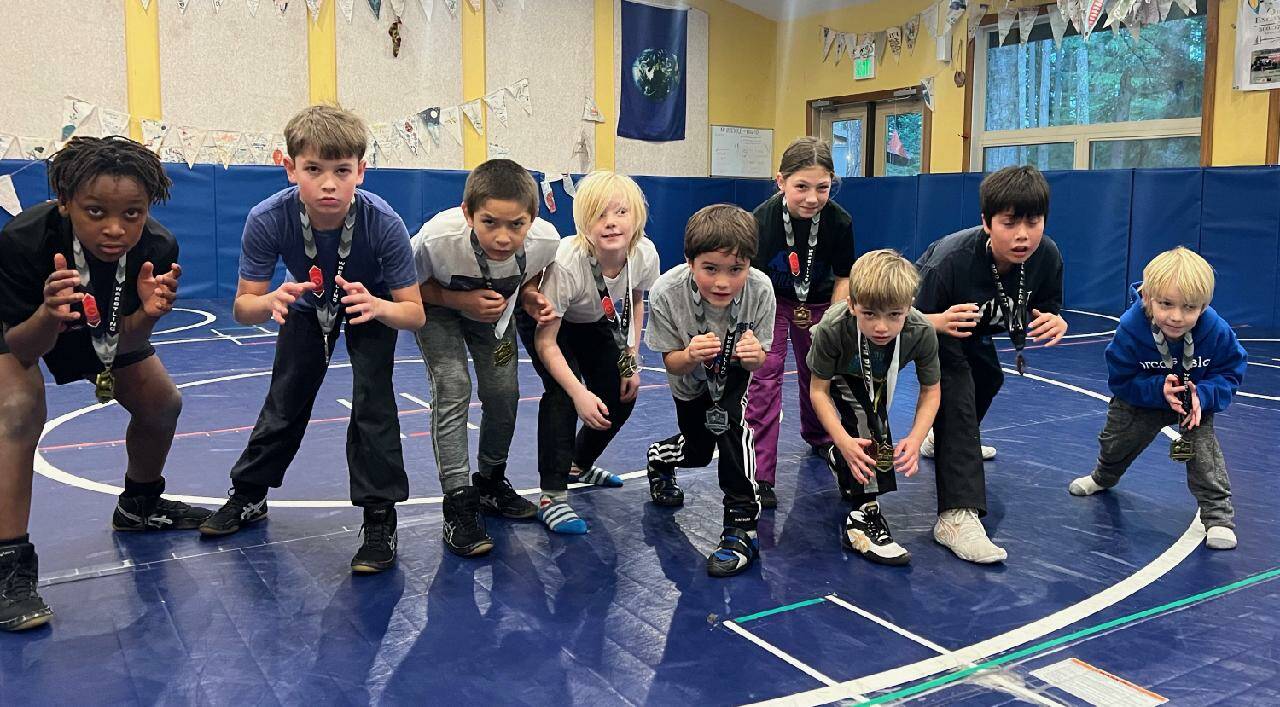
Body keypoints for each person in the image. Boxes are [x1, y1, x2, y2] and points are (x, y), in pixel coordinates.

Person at [199, 106, 425, 577]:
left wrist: (380, 308)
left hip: (369, 303)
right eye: (314, 170)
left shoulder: (383, 222)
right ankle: (248, 495)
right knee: (285, 399)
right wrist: (269, 303)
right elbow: (243, 308)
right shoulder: (268, 219)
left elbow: (415, 313)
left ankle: (379, 516)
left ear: (360, 172)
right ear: (290, 168)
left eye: (342, 171)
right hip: (304, 302)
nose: (328, 184)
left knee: (373, 404)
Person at [0, 136, 204, 631]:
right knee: (18, 411)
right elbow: (24, 348)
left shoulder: (156, 248)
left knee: (161, 402)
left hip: (98, 328)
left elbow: (120, 338)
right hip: (24, 328)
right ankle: (8, 567)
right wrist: (50, 314)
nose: (115, 228)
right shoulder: (23, 241)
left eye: (132, 213)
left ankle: (139, 505)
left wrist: (149, 315)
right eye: (95, 211)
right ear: (65, 202)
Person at [915, 165, 1068, 564]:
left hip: (973, 332)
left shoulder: (1046, 255)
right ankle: (955, 516)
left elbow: (1048, 304)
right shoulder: (948, 261)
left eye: (1033, 222)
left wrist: (1055, 318)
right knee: (958, 397)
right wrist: (936, 321)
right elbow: (896, 319)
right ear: (986, 222)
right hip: (931, 328)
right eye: (1009, 223)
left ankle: (944, 441)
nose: (1022, 235)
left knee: (989, 377)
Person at [412, 159, 560, 556]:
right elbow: (407, 287)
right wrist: (459, 299)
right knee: (453, 385)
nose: (502, 237)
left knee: (503, 393)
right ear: (468, 214)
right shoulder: (436, 239)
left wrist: (529, 296)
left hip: (494, 315)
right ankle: (459, 501)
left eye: (516, 225)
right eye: (490, 222)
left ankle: (491, 481)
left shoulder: (547, 242)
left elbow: (533, 274)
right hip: (438, 309)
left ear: (532, 218)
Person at [1068, 247, 1246, 551]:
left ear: (1203, 307)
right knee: (1116, 442)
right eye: (1166, 304)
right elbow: (1120, 380)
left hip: (1193, 402)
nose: (1177, 317)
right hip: (1141, 399)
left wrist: (1204, 395)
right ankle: (1104, 476)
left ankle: (1218, 517)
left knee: (1203, 455)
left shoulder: (1215, 330)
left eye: (1189, 308)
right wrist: (1155, 390)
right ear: (1148, 297)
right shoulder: (1131, 328)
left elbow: (1230, 371)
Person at [518, 171, 660, 534]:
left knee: (622, 394)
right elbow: (546, 342)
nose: (610, 223)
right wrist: (579, 392)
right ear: (584, 222)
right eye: (599, 215)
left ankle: (578, 464)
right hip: (551, 322)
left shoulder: (643, 253)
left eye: (620, 213)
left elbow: (636, 299)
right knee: (563, 395)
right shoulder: (568, 262)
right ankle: (551, 493)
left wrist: (631, 358)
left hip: (597, 316)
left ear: (637, 217)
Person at [644, 204, 775, 577]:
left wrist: (753, 357)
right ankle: (660, 457)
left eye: (736, 270)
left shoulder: (760, 290)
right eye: (711, 269)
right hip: (689, 383)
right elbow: (670, 362)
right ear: (690, 261)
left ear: (750, 263)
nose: (723, 282)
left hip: (732, 381)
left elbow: (760, 359)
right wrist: (689, 354)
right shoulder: (667, 291)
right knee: (698, 451)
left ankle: (742, 526)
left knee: (735, 433)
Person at [808, 250, 940, 564]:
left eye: (894, 315)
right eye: (869, 314)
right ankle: (864, 517)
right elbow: (818, 391)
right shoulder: (833, 328)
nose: (881, 327)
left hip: (878, 375)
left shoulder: (920, 331)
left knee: (869, 425)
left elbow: (932, 391)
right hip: (836, 370)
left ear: (908, 308)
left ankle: (841, 461)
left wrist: (916, 437)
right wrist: (842, 439)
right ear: (852, 305)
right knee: (869, 427)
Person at [746, 137, 855, 509]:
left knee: (819, 373)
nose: (812, 197)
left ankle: (821, 437)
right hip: (772, 302)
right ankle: (760, 473)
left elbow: (844, 277)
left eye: (822, 188)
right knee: (765, 377)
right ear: (781, 182)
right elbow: (752, 278)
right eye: (801, 187)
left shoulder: (840, 221)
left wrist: (835, 319)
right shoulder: (761, 220)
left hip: (821, 301)